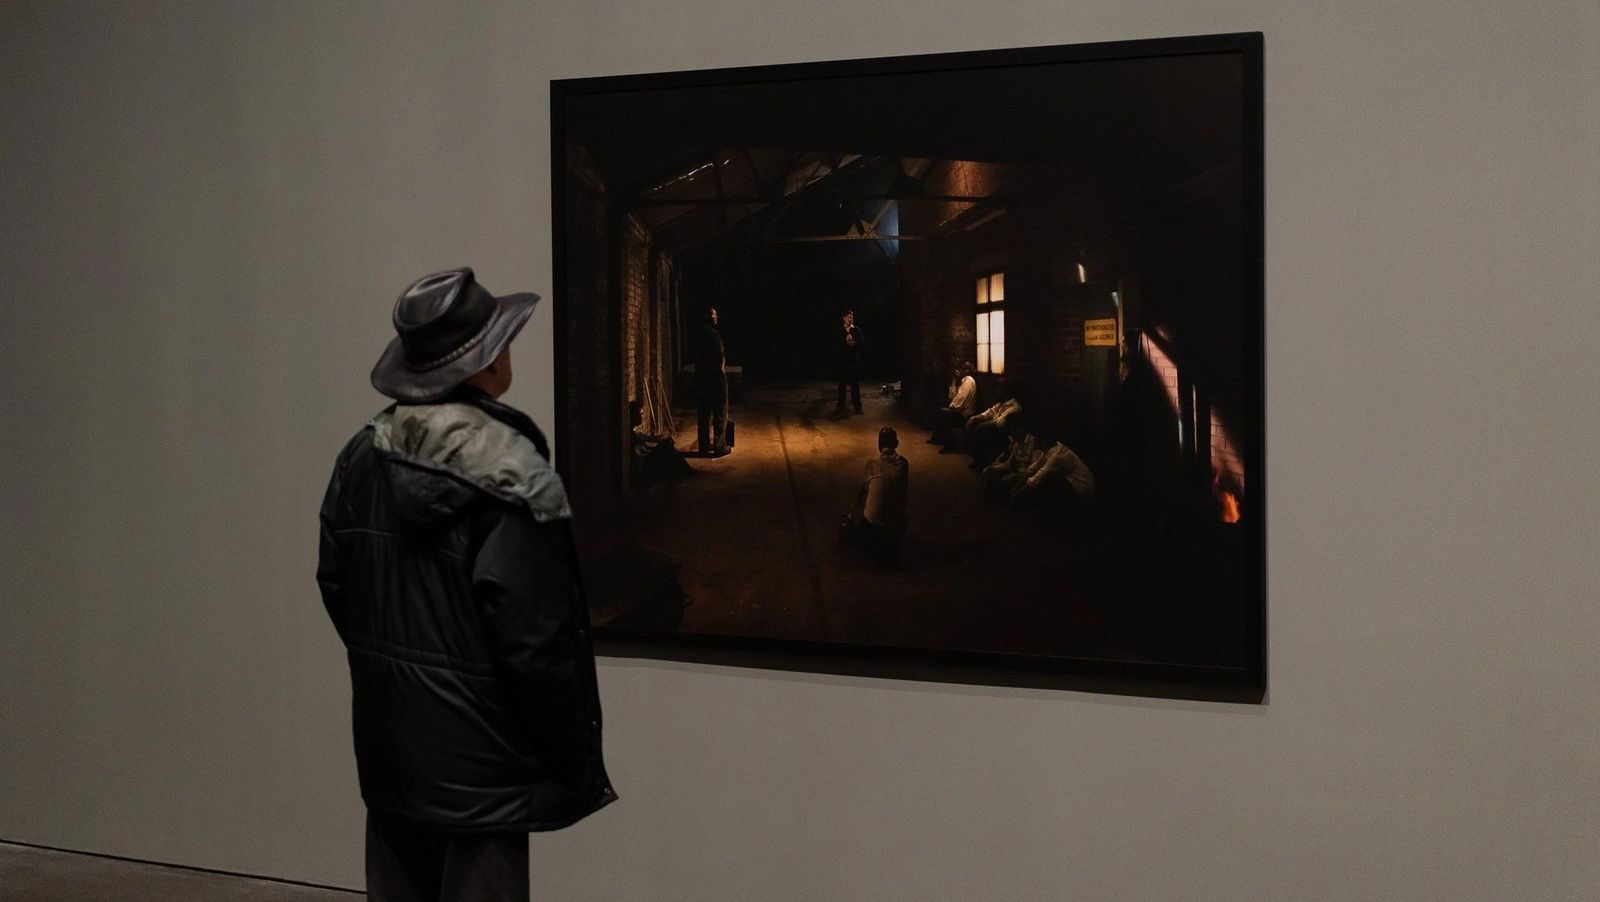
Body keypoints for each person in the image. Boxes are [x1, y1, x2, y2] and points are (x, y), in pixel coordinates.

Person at [317, 267, 616, 902]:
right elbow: (537, 643)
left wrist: (399, 682)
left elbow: (336, 586)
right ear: (484, 366)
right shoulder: (512, 477)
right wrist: (569, 757)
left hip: (394, 752)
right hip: (486, 770)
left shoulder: (360, 457)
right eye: (500, 342)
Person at [841, 426, 909, 567]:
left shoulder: (872, 465)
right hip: (898, 525)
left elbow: (863, 493)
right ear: (896, 444)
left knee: (856, 518)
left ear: (879, 445)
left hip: (875, 525)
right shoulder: (903, 464)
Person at [695, 306, 730, 456]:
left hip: (701, 378)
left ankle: (704, 446)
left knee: (703, 414)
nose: (717, 317)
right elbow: (720, 357)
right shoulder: (714, 335)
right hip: (715, 379)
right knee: (719, 412)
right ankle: (719, 445)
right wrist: (722, 376)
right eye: (714, 315)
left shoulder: (699, 334)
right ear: (709, 317)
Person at [927, 361, 977, 447]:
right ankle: (939, 440)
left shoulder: (968, 380)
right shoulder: (962, 381)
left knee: (945, 414)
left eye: (961, 368)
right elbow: (952, 397)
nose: (958, 371)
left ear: (967, 371)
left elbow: (959, 401)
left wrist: (950, 409)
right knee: (941, 412)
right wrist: (954, 381)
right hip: (960, 410)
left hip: (965, 412)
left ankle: (947, 445)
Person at [834, 309, 864, 416]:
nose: (850, 319)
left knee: (855, 386)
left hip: (853, 362)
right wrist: (845, 341)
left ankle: (858, 407)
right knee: (842, 386)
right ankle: (840, 407)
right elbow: (836, 346)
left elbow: (861, 344)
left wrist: (854, 342)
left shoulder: (856, 330)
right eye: (848, 317)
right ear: (844, 318)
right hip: (843, 362)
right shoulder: (839, 330)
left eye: (852, 317)